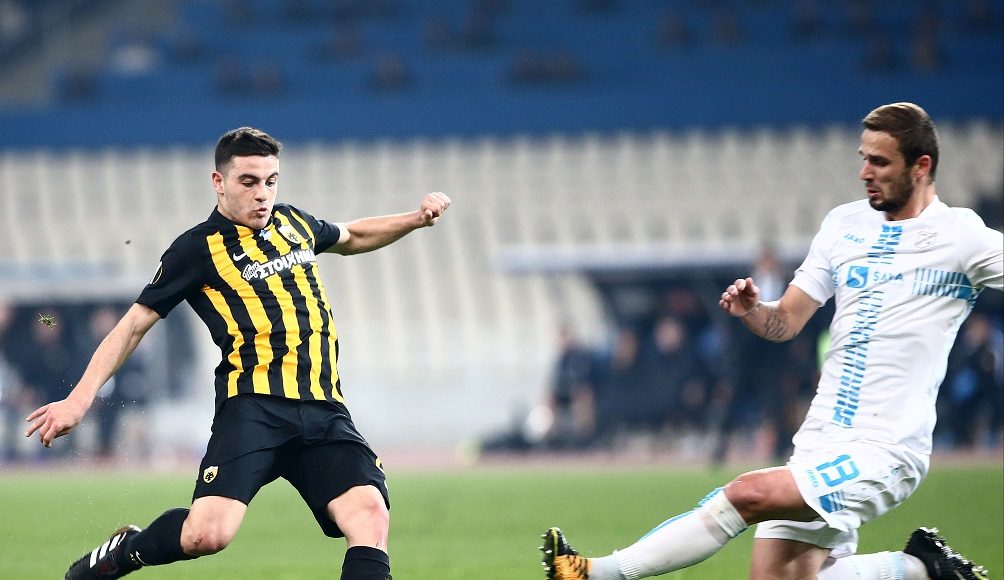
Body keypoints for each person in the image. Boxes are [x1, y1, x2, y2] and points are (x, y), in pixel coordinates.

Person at [540, 102, 1000, 580]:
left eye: (880, 162)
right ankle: (920, 569)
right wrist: (753, 312)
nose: (865, 172)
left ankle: (596, 573)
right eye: (863, 158)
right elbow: (786, 322)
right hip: (821, 436)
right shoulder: (844, 225)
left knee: (747, 493)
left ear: (921, 166)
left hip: (886, 446)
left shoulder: (961, 236)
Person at [25, 127, 451, 580]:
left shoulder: (294, 223)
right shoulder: (197, 249)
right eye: (248, 181)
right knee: (207, 535)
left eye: (270, 181)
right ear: (219, 182)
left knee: (369, 515)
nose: (262, 193)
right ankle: (126, 551)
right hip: (253, 409)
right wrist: (80, 399)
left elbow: (353, 236)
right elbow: (133, 325)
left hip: (323, 407)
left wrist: (414, 219)